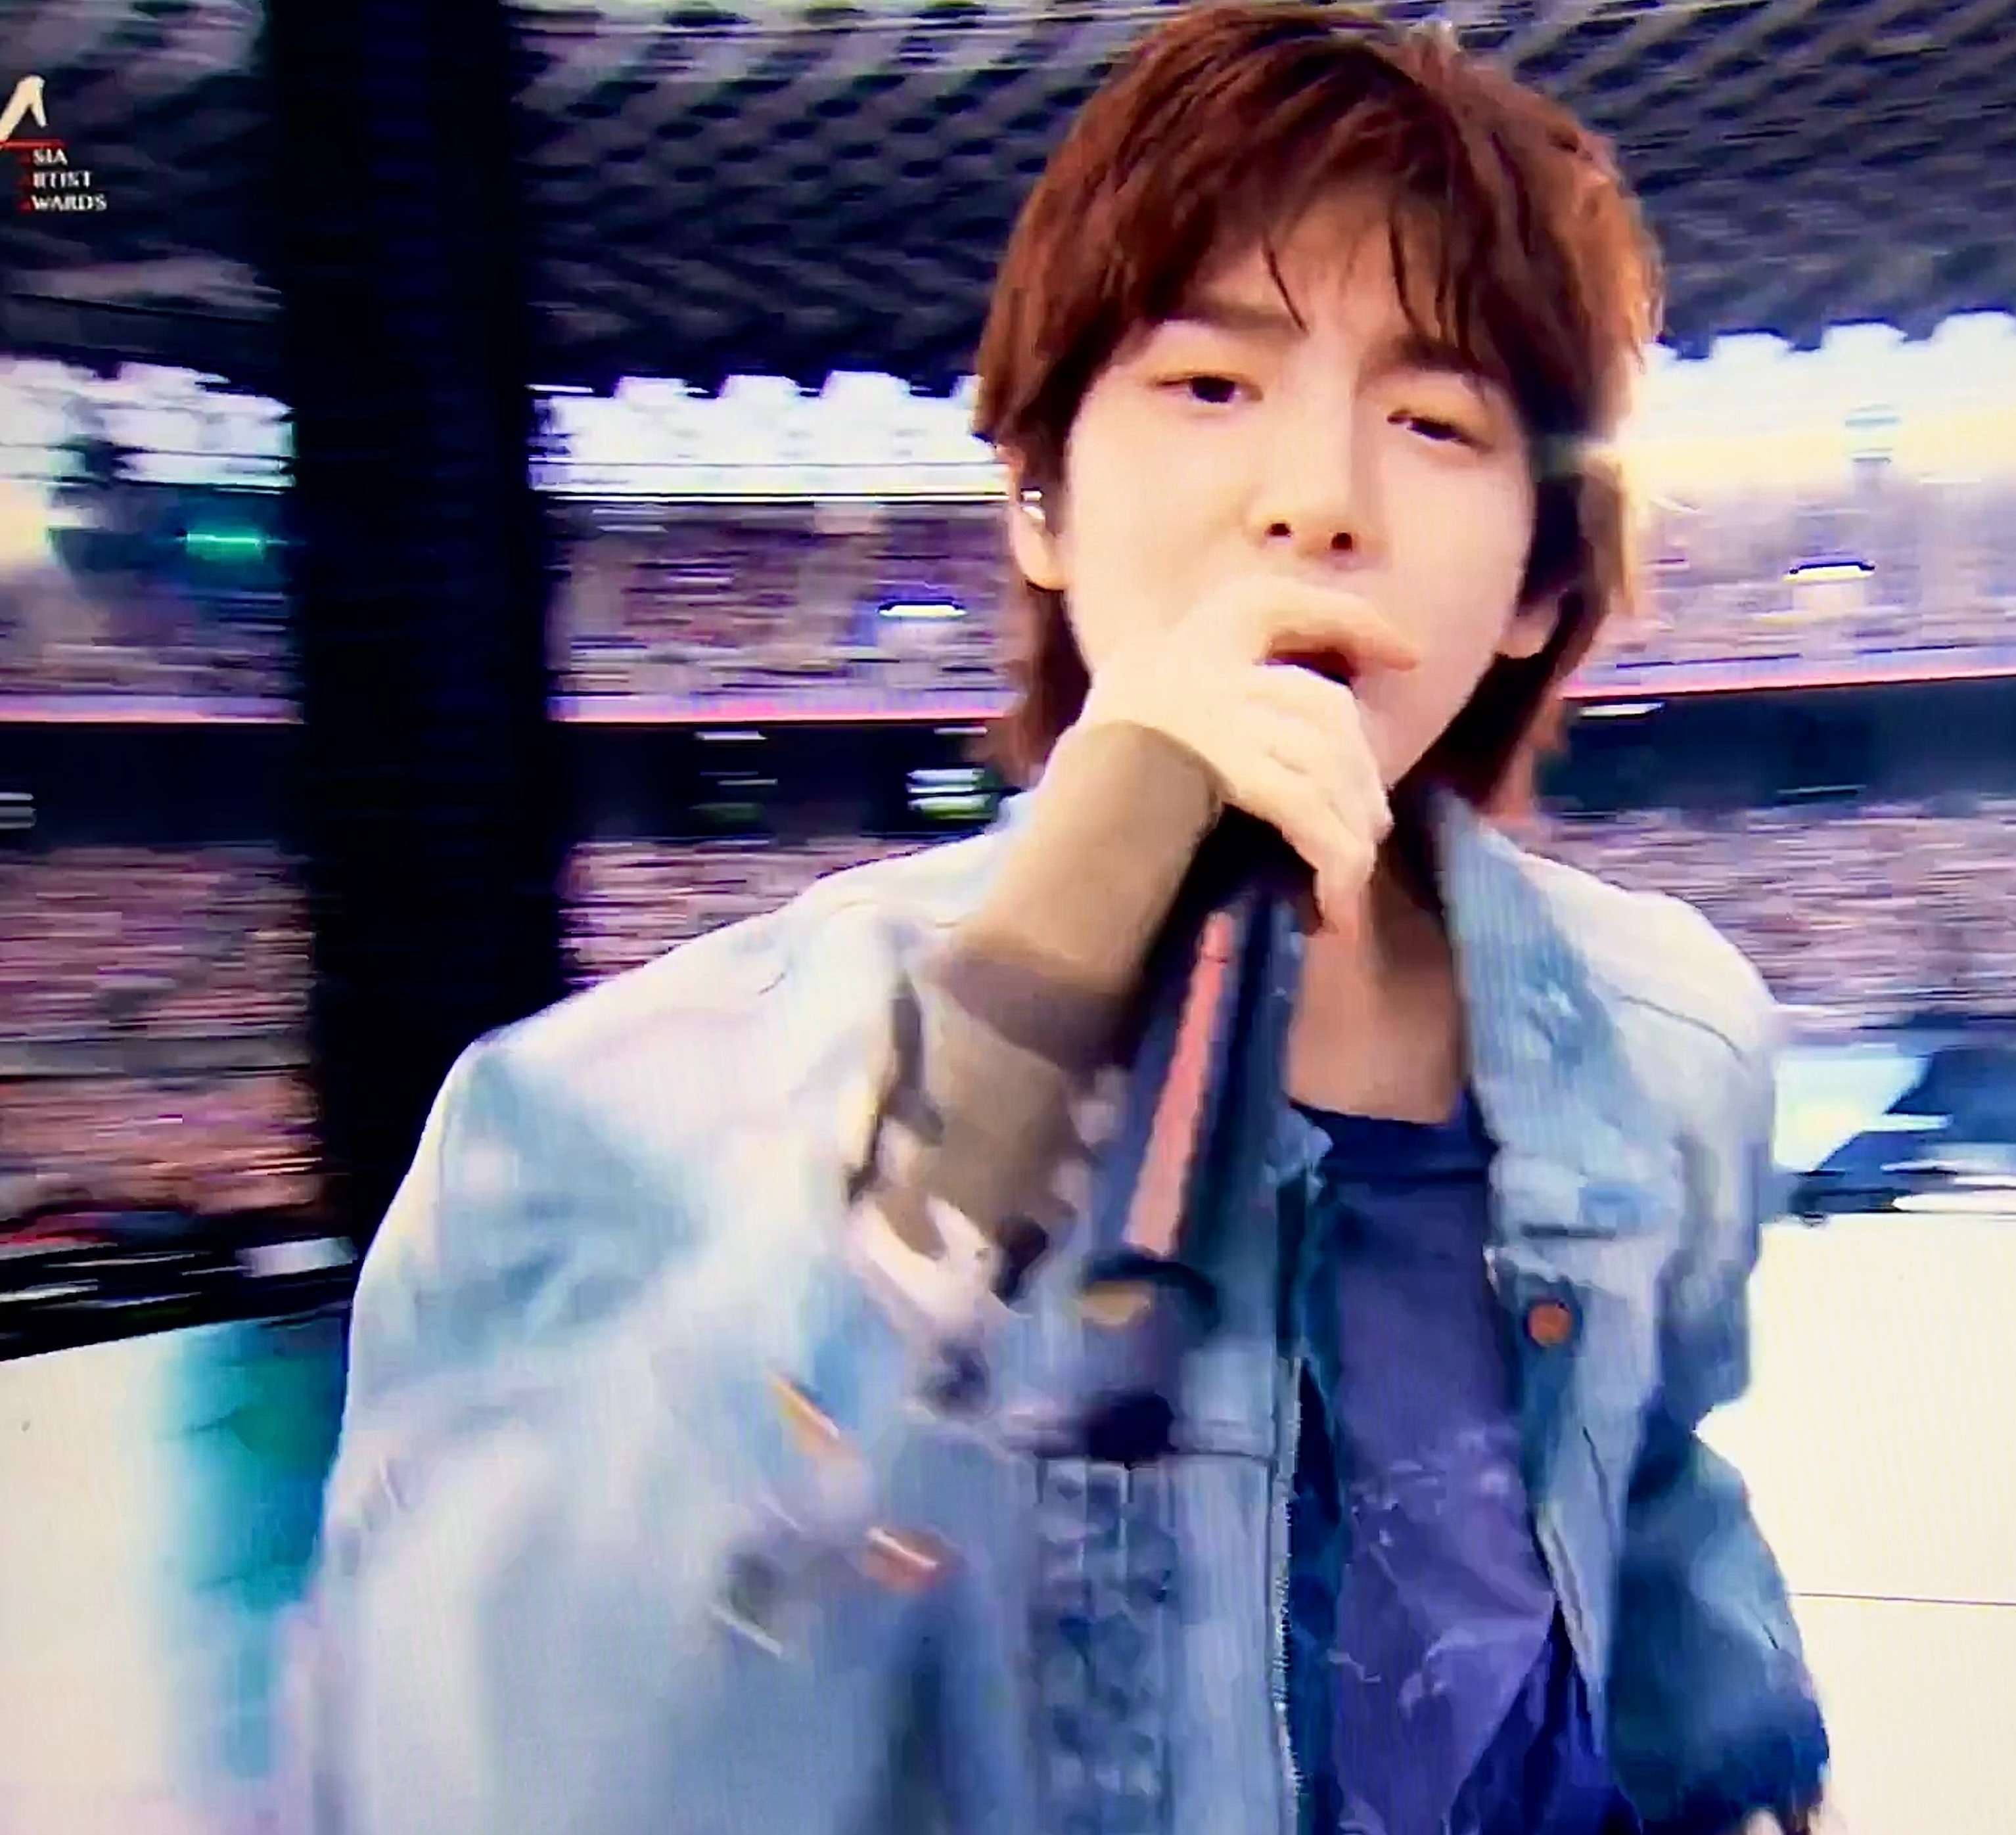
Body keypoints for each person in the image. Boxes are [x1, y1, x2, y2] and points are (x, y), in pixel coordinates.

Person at [285, 7, 1828, 1834]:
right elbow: (487, 1769)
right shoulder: (622, 1106)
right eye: (1209, 387)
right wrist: (1010, 1035)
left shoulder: (1667, 1040)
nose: (1314, 504)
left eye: (1434, 421)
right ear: (1039, 498)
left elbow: (1645, 1515)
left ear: (1538, 585)